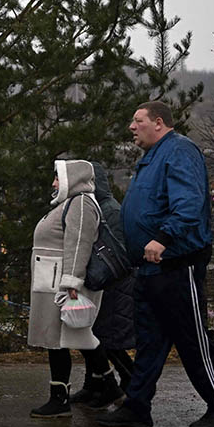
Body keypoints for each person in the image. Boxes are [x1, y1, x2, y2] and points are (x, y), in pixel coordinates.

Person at [99, 101, 214, 427]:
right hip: (149, 270)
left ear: (159, 123)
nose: (131, 127)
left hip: (177, 266)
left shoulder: (179, 151)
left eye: (138, 121)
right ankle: (137, 408)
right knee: (149, 342)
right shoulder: (150, 159)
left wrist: (164, 237)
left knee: (193, 339)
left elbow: (188, 202)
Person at [27, 160, 116, 418]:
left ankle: (61, 398)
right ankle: (107, 387)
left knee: (67, 339)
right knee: (60, 340)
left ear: (72, 178)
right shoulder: (69, 204)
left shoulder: (81, 204)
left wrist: (72, 282)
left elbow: (79, 244)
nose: (54, 183)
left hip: (61, 284)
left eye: (58, 178)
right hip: (52, 282)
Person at [71, 162, 134, 408]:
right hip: (104, 283)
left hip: (114, 285)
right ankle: (94, 385)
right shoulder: (98, 206)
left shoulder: (109, 210)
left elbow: (118, 251)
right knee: (96, 335)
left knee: (105, 340)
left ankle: (128, 379)